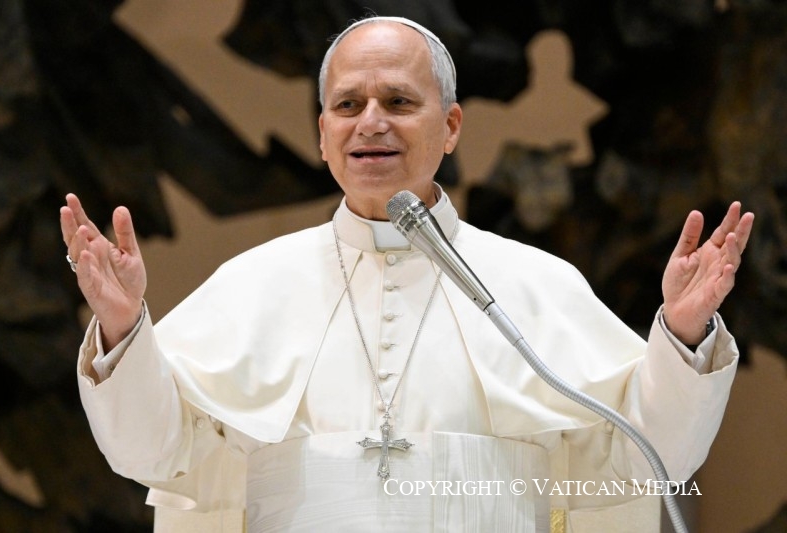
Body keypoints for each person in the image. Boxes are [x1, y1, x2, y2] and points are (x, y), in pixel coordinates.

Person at [61, 16, 754, 532]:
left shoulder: (536, 283)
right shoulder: (250, 285)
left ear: (450, 126)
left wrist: (684, 335)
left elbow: (646, 457)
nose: (371, 123)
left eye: (398, 102)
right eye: (348, 105)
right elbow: (151, 452)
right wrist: (124, 329)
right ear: (322, 132)